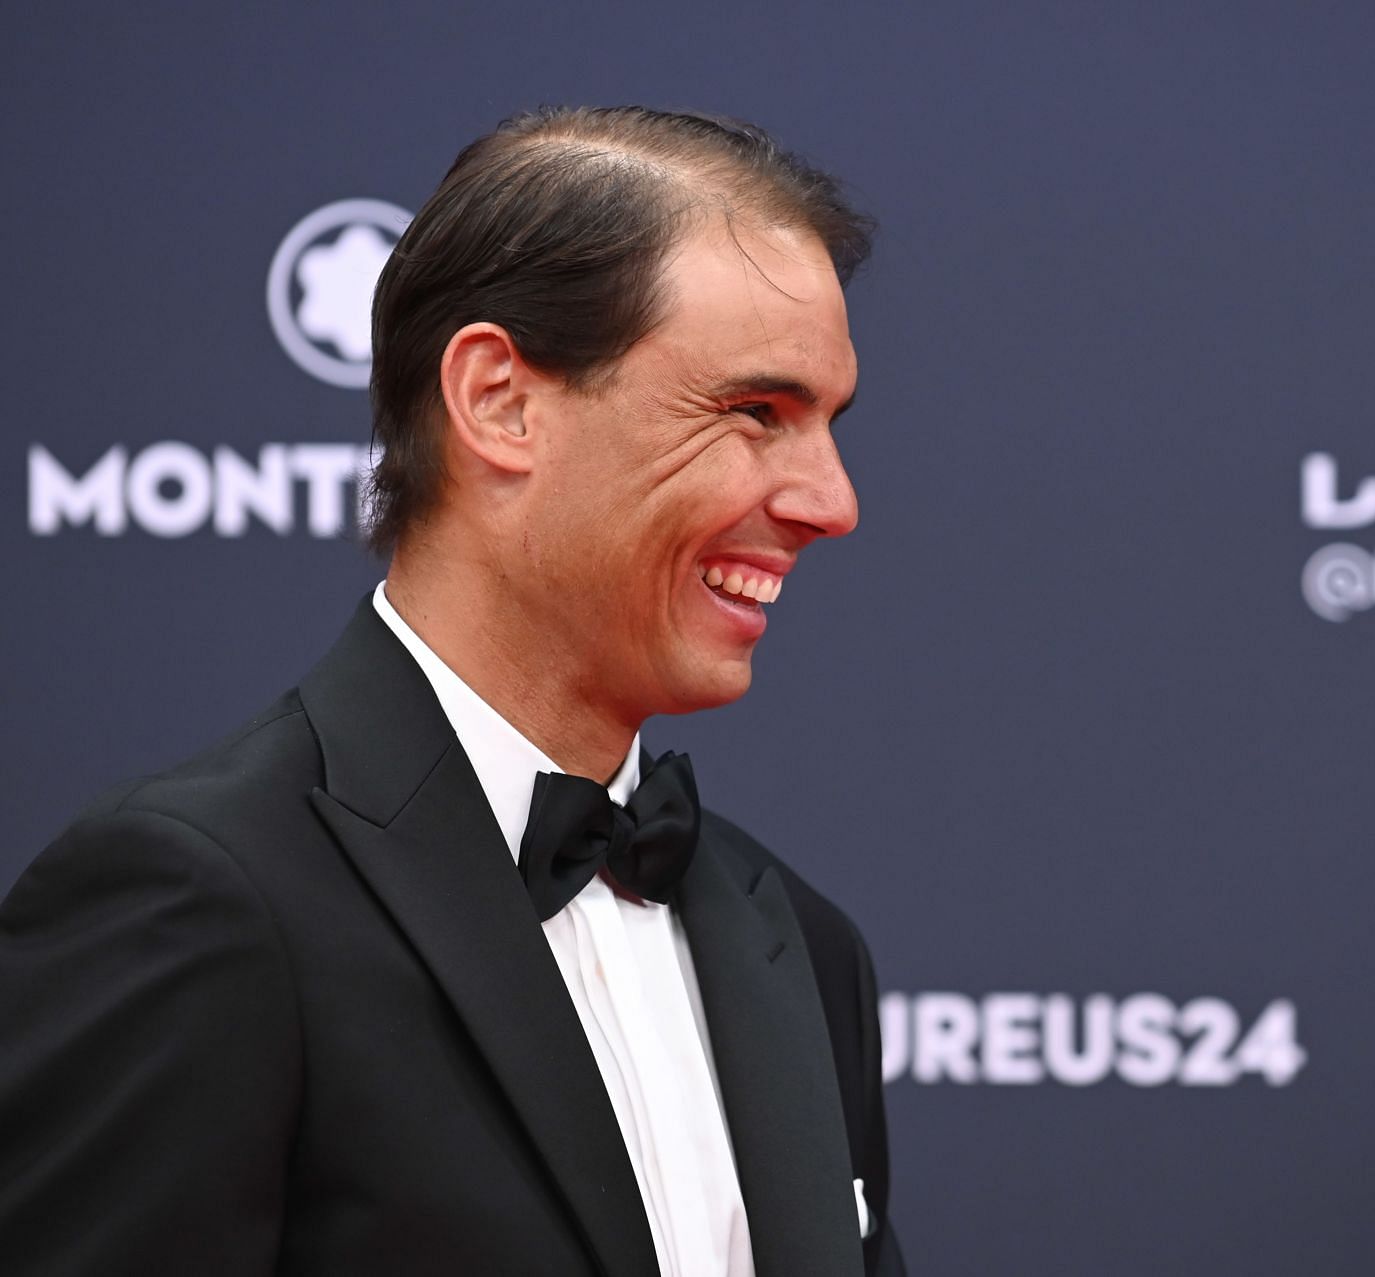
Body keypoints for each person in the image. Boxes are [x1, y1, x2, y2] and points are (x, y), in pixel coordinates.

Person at [0, 106, 904, 1277]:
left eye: (828, 424)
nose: (832, 501)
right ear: (498, 400)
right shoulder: (201, 900)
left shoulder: (803, 945)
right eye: (755, 412)